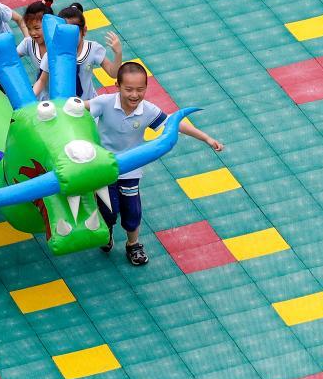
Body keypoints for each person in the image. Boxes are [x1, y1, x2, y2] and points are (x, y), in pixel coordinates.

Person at [87, 62, 223, 265]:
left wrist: (207, 138)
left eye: (140, 89)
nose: (134, 95)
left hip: (131, 170)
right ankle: (106, 234)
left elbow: (174, 124)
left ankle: (133, 244)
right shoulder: (104, 103)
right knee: (108, 209)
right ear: (117, 86)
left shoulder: (148, 111)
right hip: (104, 168)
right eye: (129, 89)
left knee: (132, 210)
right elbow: (78, 109)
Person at [33, 2, 122, 99]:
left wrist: (118, 53)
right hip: (64, 103)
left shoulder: (92, 49)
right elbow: (41, 81)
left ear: (84, 31)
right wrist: (30, 98)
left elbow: (113, 73)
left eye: (73, 33)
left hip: (87, 103)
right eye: (65, 33)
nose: (69, 38)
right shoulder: (54, 54)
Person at [16, 0, 53, 73]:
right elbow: (11, 57)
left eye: (37, 28)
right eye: (29, 28)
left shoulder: (58, 44)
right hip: (41, 80)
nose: (32, 33)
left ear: (50, 25)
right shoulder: (29, 42)